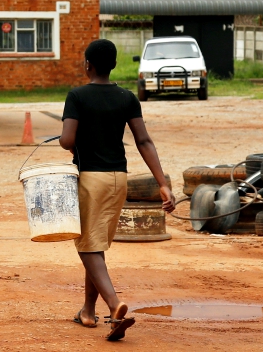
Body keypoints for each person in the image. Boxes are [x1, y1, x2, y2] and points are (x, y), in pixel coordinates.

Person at [60, 39, 175, 341]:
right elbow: (144, 141)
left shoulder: (77, 96)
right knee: (94, 243)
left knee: (87, 245)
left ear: (88, 65)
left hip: (91, 180)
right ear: (112, 65)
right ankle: (87, 311)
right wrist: (162, 184)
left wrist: (66, 136)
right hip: (118, 179)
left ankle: (114, 306)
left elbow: (68, 140)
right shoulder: (126, 98)